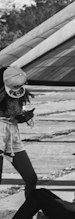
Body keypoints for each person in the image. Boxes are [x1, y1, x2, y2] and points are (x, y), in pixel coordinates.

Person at [0, 65, 38, 196]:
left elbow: (14, 113)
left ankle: (28, 212)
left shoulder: (18, 89)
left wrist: (23, 117)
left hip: (12, 130)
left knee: (31, 178)